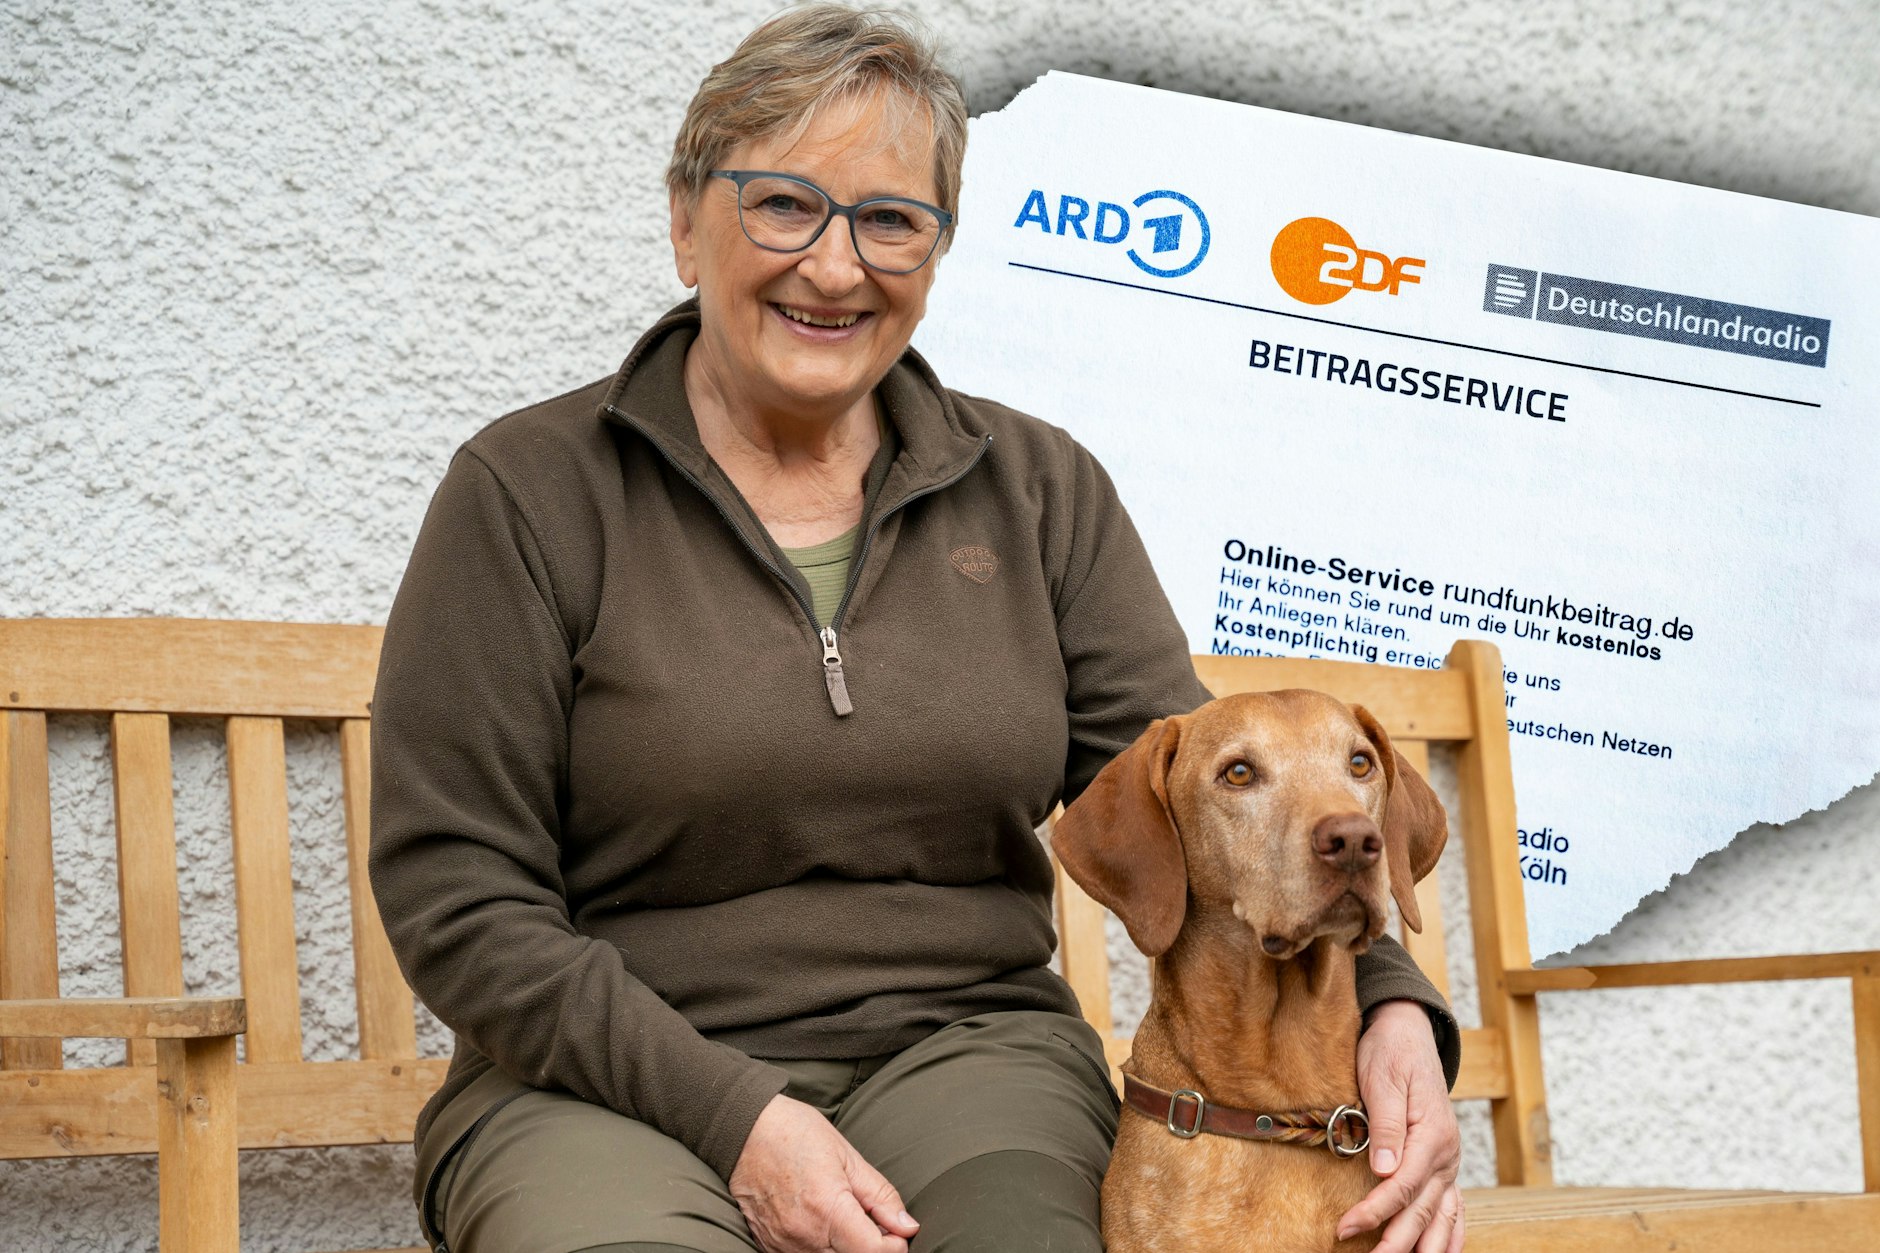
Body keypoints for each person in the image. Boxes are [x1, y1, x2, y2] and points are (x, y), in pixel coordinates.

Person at [368, 7, 1465, 1253]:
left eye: (889, 220)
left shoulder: (1038, 491)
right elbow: (459, 893)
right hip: (603, 1082)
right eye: (784, 205)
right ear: (684, 223)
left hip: (971, 1057)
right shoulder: (527, 494)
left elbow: (1198, 792)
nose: (835, 268)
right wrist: (738, 1117)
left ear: (935, 251)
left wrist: (1391, 1005)